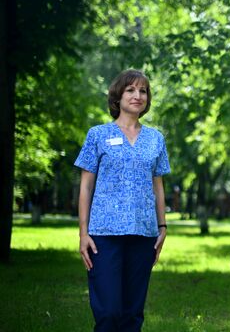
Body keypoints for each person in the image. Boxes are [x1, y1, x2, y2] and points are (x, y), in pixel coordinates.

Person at [75, 69, 171, 331]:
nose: (137, 96)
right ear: (118, 96)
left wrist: (162, 227)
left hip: (143, 234)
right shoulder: (97, 135)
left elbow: (158, 186)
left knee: (132, 314)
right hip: (103, 234)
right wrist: (83, 233)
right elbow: (86, 187)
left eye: (143, 91)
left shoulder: (156, 139)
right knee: (108, 312)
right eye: (130, 90)